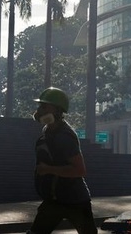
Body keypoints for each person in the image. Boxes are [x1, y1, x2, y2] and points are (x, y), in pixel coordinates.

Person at [28, 87, 97, 234]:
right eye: (40, 106)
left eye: (44, 106)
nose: (39, 110)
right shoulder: (48, 131)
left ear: (57, 111)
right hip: (54, 200)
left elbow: (79, 170)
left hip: (75, 201)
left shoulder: (65, 136)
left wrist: (48, 169)